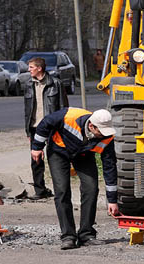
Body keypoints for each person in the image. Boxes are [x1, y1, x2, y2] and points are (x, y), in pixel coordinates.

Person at [31, 108, 119, 250]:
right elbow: (45, 123)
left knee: (91, 188)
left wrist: (112, 200)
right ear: (91, 126)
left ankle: (86, 234)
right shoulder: (69, 116)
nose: (103, 135)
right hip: (58, 151)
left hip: (83, 155)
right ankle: (68, 236)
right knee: (62, 190)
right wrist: (37, 147)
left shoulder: (107, 136)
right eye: (100, 131)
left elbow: (109, 167)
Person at [24, 57, 69, 200]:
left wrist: (62, 129)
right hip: (35, 127)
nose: (28, 70)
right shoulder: (28, 84)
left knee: (56, 158)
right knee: (36, 160)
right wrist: (28, 130)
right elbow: (27, 109)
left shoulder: (56, 83)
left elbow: (63, 107)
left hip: (52, 128)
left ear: (39, 68)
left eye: (31, 67)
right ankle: (40, 190)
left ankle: (60, 190)